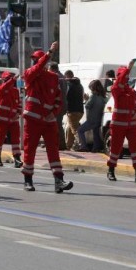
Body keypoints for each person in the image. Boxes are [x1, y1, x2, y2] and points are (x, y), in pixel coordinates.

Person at [21, 43, 74, 193]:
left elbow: (58, 98)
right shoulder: (30, 74)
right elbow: (36, 69)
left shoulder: (53, 77)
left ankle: (59, 180)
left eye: (35, 60)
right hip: (33, 119)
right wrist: (50, 52)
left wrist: (55, 111)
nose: (34, 63)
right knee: (29, 150)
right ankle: (28, 180)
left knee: (53, 150)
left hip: (49, 121)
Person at [105, 65, 136, 183]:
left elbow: (135, 106)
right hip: (119, 124)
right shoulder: (116, 90)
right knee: (115, 148)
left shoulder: (132, 91)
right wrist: (128, 69)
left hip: (132, 125)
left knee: (135, 149)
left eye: (127, 76)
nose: (126, 78)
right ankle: (111, 171)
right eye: (124, 76)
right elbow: (119, 82)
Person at [0, 71, 23, 167]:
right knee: (0, 140)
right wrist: (13, 79)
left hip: (13, 120)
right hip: (2, 119)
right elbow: (4, 87)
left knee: (15, 140)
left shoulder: (15, 91)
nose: (10, 81)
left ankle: (17, 158)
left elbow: (18, 104)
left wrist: (18, 113)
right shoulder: (0, 88)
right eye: (8, 79)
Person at [76, 80, 106, 152]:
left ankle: (84, 146)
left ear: (93, 88)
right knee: (95, 133)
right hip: (99, 119)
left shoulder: (93, 96)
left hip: (91, 119)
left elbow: (87, 106)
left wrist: (86, 99)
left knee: (80, 130)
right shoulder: (103, 97)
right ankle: (96, 148)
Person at [63, 70, 85, 150]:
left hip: (72, 110)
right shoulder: (80, 85)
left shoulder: (69, 85)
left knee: (74, 129)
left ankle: (81, 145)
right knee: (70, 127)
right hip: (80, 110)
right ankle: (69, 145)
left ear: (67, 76)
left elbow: (66, 96)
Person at [49, 62, 68, 150]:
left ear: (52, 68)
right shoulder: (62, 76)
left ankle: (60, 144)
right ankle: (58, 143)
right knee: (57, 124)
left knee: (57, 125)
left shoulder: (56, 77)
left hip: (58, 104)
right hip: (63, 103)